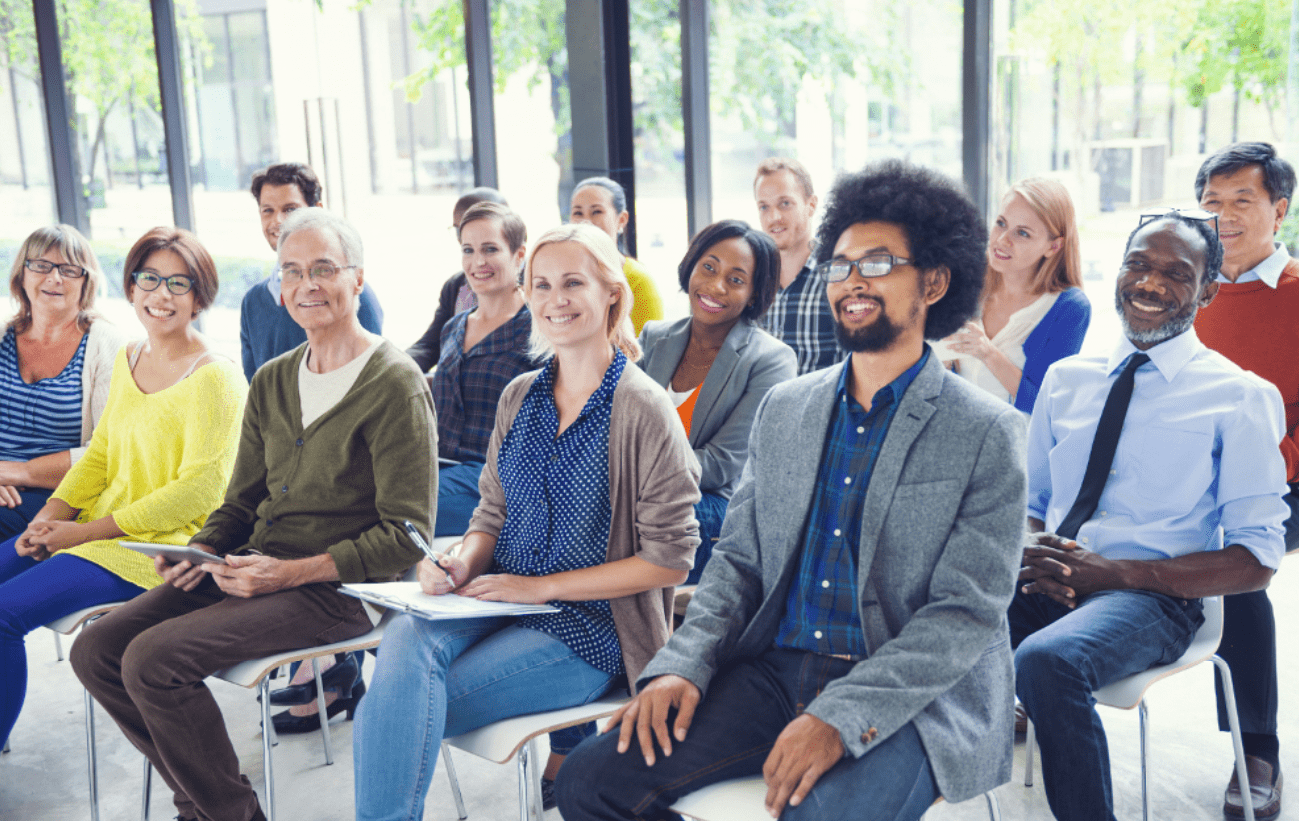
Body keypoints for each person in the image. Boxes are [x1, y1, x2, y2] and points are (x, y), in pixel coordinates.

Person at [556, 159, 1029, 821]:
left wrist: (841, 714)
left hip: (909, 695)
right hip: (775, 670)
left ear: (934, 280)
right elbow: (740, 560)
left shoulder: (986, 431)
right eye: (839, 265)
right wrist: (680, 662)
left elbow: (962, 615)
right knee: (587, 780)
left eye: (876, 263)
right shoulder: (787, 408)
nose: (851, 281)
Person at [70, 209, 435, 821]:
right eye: (291, 272)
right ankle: (207, 804)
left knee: (151, 660)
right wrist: (203, 551)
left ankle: (224, 813)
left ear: (358, 280)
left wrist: (290, 574)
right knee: (97, 650)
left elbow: (408, 535)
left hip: (339, 590)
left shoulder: (395, 383)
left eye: (324, 269)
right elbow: (240, 499)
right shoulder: (271, 379)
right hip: (250, 569)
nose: (306, 285)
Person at [353, 223, 700, 821]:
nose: (554, 299)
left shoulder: (642, 407)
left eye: (572, 283)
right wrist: (462, 561)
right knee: (405, 638)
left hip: (590, 629)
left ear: (611, 295)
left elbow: (671, 559)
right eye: (540, 285)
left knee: (392, 705)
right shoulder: (520, 394)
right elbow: (491, 511)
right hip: (495, 600)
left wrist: (540, 589)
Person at [1012, 211, 1289, 821]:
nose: (1150, 284)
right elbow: (1031, 505)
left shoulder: (1238, 396)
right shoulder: (1066, 380)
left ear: (1208, 291)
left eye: (1176, 273)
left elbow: (1256, 561)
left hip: (1151, 600)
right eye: (1138, 264)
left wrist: (1110, 573)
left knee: (1045, 661)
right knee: (925, 605)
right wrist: (1036, 553)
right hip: (1049, 580)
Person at [2, 226, 245, 749]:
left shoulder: (216, 378)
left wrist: (82, 532)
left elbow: (199, 493)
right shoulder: (130, 357)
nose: (161, 295)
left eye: (179, 284)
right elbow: (102, 456)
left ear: (200, 298)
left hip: (153, 551)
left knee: (3, 614)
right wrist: (56, 516)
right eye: (150, 279)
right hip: (96, 532)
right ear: (131, 288)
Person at [1193, 141, 1298, 821]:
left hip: (1284, 478)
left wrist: (1266, 469)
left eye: (1240, 201)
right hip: (1194, 481)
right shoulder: (1185, 290)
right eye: (1211, 204)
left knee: (1235, 559)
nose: (1222, 217)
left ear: (1278, 211)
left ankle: (1256, 749)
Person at [638, 219, 796, 582]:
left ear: (754, 294)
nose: (715, 286)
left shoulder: (771, 359)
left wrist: (633, 475)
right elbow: (613, 423)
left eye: (736, 279)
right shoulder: (655, 337)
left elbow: (723, 465)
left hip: (709, 507)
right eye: (708, 267)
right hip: (641, 496)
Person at [0, 225, 124, 540]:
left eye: (69, 270)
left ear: (87, 282)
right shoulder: (2, 335)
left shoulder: (106, 345)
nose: (54, 278)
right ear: (22, 275)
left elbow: (109, 451)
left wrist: (15, 472)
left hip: (59, 496)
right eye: (41, 265)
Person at [941, 178, 1091, 412]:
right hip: (959, 435)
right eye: (1001, 223)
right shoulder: (968, 278)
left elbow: (1045, 405)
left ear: (1053, 247)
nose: (1002, 240)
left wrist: (988, 353)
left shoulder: (1068, 308)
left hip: (1016, 443)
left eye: (1022, 233)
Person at [432, 202, 536, 537]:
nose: (478, 262)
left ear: (519, 256)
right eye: (469, 250)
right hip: (440, 468)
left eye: (491, 249)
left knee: (402, 511)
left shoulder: (538, 330)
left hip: (498, 482)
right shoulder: (454, 327)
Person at [240, 161, 384, 381]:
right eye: (268, 211)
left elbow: (371, 375)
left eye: (290, 210)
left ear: (317, 211)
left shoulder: (352, 295)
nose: (278, 221)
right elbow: (253, 388)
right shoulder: (253, 302)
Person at [753, 156, 844, 375]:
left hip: (822, 408)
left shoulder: (839, 276)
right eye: (764, 207)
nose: (774, 217)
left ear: (811, 205)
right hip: (762, 408)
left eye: (785, 203)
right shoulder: (752, 279)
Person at [406, 187, 509, 372]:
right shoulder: (456, 286)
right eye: (461, 230)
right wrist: (392, 367)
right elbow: (431, 345)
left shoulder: (536, 285)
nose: (468, 238)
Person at [569, 176, 664, 334]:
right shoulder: (559, 275)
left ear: (621, 220)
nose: (585, 221)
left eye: (596, 211)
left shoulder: (638, 280)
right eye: (578, 213)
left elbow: (649, 351)